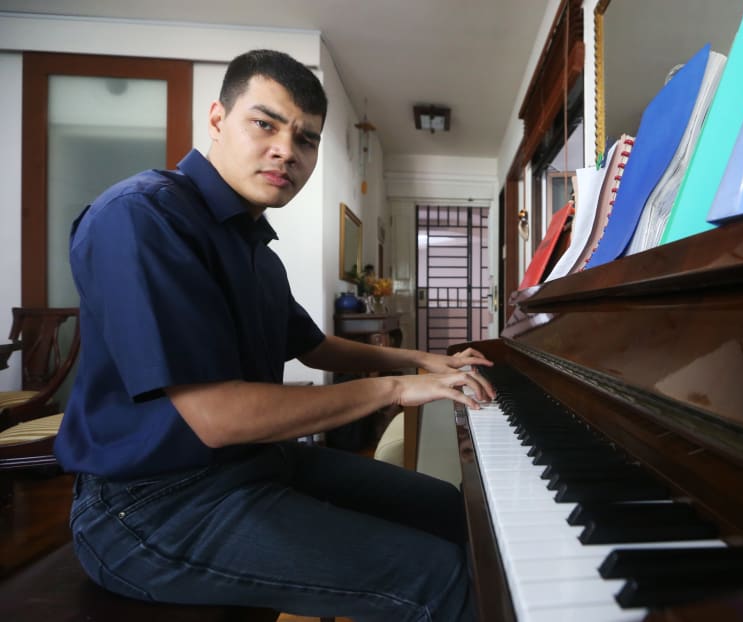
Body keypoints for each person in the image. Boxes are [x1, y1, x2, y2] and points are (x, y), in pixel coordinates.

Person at [55, 49, 495, 622]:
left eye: (305, 139)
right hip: (149, 506)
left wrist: (422, 361)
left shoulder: (255, 245)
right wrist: (393, 388)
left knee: (447, 508)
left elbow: (311, 345)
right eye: (264, 124)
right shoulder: (142, 218)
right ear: (218, 119)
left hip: (249, 467)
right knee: (441, 581)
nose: (286, 150)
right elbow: (220, 417)